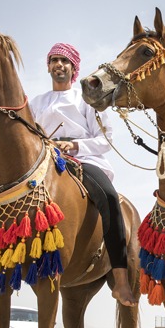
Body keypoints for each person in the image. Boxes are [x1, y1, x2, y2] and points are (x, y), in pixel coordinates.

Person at [29, 42, 136, 306]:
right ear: (48, 67)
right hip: (44, 161)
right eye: (54, 60)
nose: (59, 65)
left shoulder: (85, 100)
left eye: (64, 61)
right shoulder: (35, 103)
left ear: (73, 68)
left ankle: (121, 279)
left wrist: (74, 145)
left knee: (109, 198)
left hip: (82, 159)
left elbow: (105, 139)